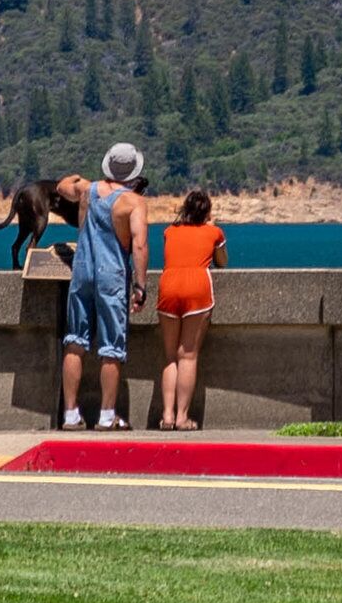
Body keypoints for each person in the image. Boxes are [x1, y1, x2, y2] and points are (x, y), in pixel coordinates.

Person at [54, 143, 146, 429]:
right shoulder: (133, 203)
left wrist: (85, 178)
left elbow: (62, 186)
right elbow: (140, 245)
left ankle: (70, 413)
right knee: (111, 346)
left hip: (82, 270)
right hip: (112, 274)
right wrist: (140, 286)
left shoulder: (87, 191)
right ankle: (107, 415)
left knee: (74, 341)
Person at [152, 187, 224, 431]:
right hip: (197, 288)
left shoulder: (169, 231)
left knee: (170, 356)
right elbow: (222, 262)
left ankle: (167, 416)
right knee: (188, 355)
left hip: (168, 286)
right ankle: (183, 417)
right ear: (207, 212)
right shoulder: (214, 232)